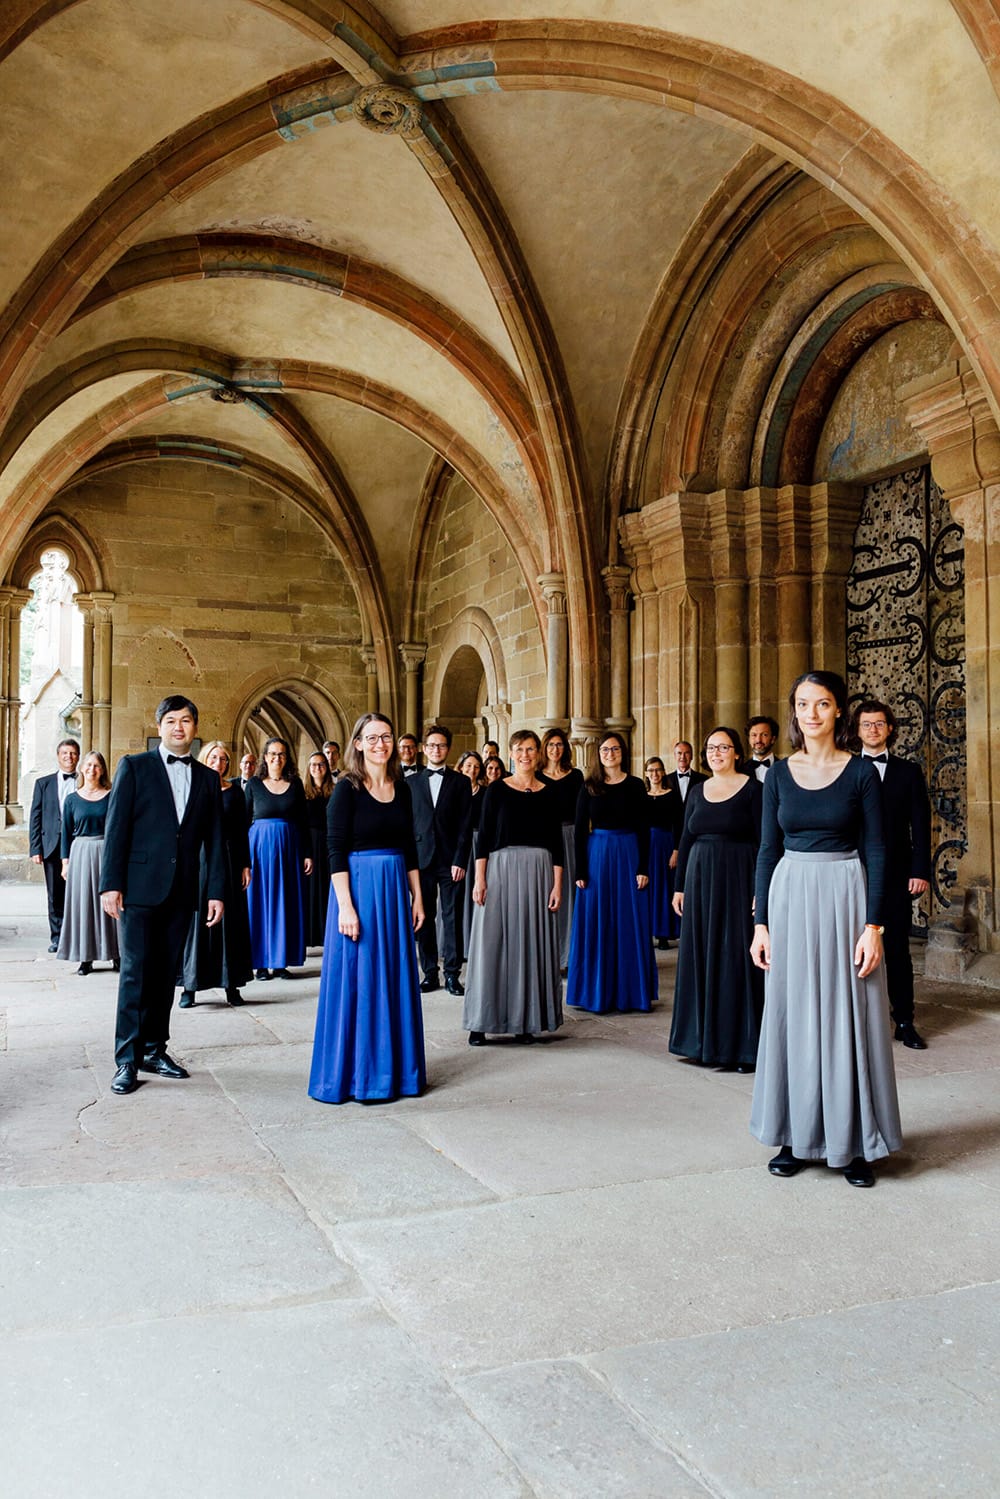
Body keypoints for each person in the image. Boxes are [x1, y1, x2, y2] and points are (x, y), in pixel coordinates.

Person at [750, 670, 901, 1188]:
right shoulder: (778, 776)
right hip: (791, 895)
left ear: (840, 712)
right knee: (793, 1012)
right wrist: (761, 923)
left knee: (848, 1013)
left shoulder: (861, 774)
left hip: (845, 893)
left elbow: (878, 849)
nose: (811, 714)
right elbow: (768, 850)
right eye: (802, 704)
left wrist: (874, 925)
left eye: (822, 704)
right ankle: (795, 1136)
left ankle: (854, 1142)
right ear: (794, 712)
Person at [100, 695, 224, 1095]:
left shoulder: (207, 778)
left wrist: (216, 892)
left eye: (186, 721)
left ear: (194, 727)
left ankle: (155, 1049)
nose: (178, 727)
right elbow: (116, 828)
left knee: (164, 976)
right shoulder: (134, 767)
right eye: (171, 721)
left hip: (182, 889)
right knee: (135, 974)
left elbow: (217, 841)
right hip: (137, 889)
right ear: (159, 727)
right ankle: (126, 1060)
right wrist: (110, 884)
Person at [309, 713, 425, 1103]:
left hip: (394, 890)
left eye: (386, 737)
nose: (381, 744)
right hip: (358, 890)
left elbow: (409, 845)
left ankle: (397, 1074)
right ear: (357, 743)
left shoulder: (403, 788)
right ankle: (357, 1077)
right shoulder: (347, 789)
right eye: (372, 738)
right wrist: (345, 907)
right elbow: (335, 849)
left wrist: (418, 895)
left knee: (393, 978)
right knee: (359, 982)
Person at [669, 728, 763, 1070]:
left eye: (723, 747)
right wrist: (679, 887)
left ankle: (742, 1049)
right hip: (700, 880)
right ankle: (698, 1042)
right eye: (711, 748)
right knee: (701, 956)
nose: (716, 753)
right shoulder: (696, 791)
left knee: (735, 956)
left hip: (739, 879)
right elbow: (687, 838)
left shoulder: (754, 790)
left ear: (737, 752)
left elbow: (767, 843)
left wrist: (760, 892)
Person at [464, 729, 563, 1044]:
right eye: (519, 749)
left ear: (539, 753)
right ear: (511, 753)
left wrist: (557, 885)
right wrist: (480, 879)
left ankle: (525, 1021)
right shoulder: (497, 791)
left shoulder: (549, 793)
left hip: (539, 874)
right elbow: (484, 839)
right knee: (491, 944)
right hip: (500, 871)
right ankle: (481, 1021)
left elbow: (557, 843)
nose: (525, 755)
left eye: (531, 749)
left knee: (530, 948)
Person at [853, 698, 932, 1050]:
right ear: (857, 731)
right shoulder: (847, 771)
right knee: (854, 946)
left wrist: (920, 870)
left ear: (890, 729)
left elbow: (921, 824)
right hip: (854, 872)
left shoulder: (908, 772)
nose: (873, 729)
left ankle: (904, 1020)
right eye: (866, 724)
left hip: (899, 873)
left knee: (898, 949)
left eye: (879, 724)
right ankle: (858, 1022)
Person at [565, 731, 657, 1014]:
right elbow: (580, 830)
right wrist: (581, 869)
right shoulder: (589, 785)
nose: (610, 754)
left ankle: (631, 993)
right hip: (598, 856)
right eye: (605, 749)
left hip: (628, 853)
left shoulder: (635, 785)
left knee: (629, 920)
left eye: (615, 749)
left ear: (622, 753)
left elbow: (644, 828)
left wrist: (643, 866)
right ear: (598, 754)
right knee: (596, 920)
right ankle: (595, 991)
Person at [178, 742, 253, 1008]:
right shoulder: (193, 788)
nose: (218, 763)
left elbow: (242, 831)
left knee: (229, 922)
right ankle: (190, 986)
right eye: (213, 758)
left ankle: (231, 984)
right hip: (199, 860)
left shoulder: (235, 793)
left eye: (223, 759)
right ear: (204, 759)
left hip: (230, 861)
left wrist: (246, 864)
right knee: (196, 919)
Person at [410, 725, 473, 996]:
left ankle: (452, 974)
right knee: (423, 916)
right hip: (421, 860)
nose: (437, 749)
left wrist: (460, 859)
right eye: (432, 745)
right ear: (424, 749)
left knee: (452, 916)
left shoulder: (460, 782)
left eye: (442, 745)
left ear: (448, 749)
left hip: (451, 861)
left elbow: (465, 825)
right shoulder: (410, 783)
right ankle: (429, 973)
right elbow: (407, 825)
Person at [245, 737, 312, 981]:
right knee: (259, 903)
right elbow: (243, 822)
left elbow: (303, 822)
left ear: (287, 758)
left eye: (282, 754)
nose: (277, 758)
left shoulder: (295, 785)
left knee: (286, 902)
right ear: (265, 757)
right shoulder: (253, 784)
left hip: (289, 850)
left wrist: (307, 853)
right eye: (272, 754)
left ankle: (281, 961)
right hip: (259, 852)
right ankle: (260, 962)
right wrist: (244, 861)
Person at [57, 750, 118, 976]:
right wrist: (65, 863)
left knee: (110, 903)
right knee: (84, 905)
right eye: (89, 765)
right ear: (82, 769)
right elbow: (65, 833)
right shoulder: (72, 799)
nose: (92, 769)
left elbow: (117, 829)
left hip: (105, 851)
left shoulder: (112, 796)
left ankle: (115, 954)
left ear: (102, 770)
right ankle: (86, 957)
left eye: (97, 766)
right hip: (81, 853)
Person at [538, 727, 584, 971]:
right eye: (551, 745)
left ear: (565, 748)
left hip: (571, 837)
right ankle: (548, 954)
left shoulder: (575, 776)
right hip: (544, 839)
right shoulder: (536, 776)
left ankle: (568, 956)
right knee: (547, 894)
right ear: (544, 749)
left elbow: (582, 813)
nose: (555, 749)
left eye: (559, 744)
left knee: (570, 896)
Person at [29, 737, 80, 951]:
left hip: (78, 844)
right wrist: (35, 848)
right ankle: (57, 937)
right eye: (65, 753)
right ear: (58, 756)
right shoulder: (43, 783)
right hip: (51, 845)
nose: (69, 757)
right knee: (55, 895)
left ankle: (77, 935)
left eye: (73, 753)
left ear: (78, 756)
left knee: (77, 892)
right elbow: (36, 816)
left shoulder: (85, 780)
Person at [644, 756, 681, 949]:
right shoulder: (641, 796)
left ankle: (664, 933)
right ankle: (648, 930)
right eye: (651, 770)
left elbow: (679, 824)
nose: (655, 774)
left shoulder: (672, 794)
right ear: (646, 773)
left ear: (663, 772)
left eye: (658, 770)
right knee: (648, 888)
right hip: (647, 844)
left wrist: (676, 850)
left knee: (665, 887)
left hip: (666, 843)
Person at [455, 750, 485, 958]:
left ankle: (475, 943)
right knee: (458, 895)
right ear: (461, 766)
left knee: (476, 894)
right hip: (458, 846)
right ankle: (458, 945)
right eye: (468, 766)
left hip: (479, 844)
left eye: (475, 766)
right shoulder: (453, 789)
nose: (471, 770)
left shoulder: (485, 792)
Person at [304, 751, 334, 947]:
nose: (317, 768)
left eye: (321, 764)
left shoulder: (336, 790)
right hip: (310, 843)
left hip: (329, 842)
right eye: (313, 764)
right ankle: (310, 934)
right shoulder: (302, 792)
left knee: (328, 886)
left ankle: (327, 933)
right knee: (311, 889)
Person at [745, 716, 781, 781]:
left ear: (773, 739)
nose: (758, 740)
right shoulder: (741, 770)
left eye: (764, 735)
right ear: (749, 739)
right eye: (754, 735)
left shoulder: (785, 769)